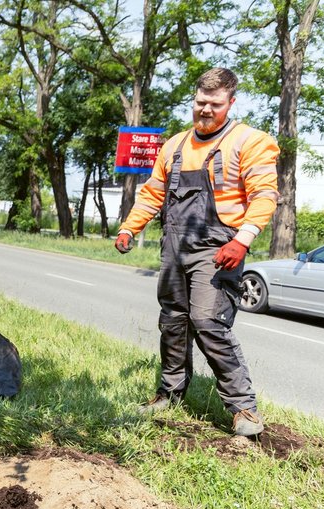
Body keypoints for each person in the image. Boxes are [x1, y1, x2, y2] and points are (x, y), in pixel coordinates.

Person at [115, 67, 279, 436]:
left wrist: (243, 239)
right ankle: (170, 393)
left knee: (208, 322)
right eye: (201, 102)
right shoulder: (174, 145)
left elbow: (265, 195)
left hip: (221, 248)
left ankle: (243, 408)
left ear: (231, 103)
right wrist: (130, 227)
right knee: (172, 320)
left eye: (215, 104)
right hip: (175, 246)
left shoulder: (250, 141)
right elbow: (153, 193)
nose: (206, 110)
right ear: (194, 99)